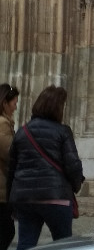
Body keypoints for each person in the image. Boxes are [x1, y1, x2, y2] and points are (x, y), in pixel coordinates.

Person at [8, 85, 84, 250]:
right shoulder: (63, 132)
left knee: (26, 244)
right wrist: (75, 186)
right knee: (62, 244)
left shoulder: (22, 132)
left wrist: (12, 199)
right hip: (56, 197)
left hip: (25, 198)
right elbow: (74, 165)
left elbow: (11, 168)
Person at [0, 84, 19, 250]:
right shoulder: (2, 124)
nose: (16, 107)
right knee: (7, 231)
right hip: (1, 187)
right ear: (5, 103)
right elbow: (9, 153)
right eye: (14, 103)